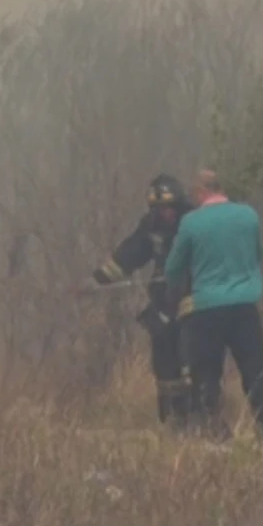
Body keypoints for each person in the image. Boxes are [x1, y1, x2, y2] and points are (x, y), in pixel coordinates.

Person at [162, 169, 263, 443]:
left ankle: (217, 435)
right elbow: (258, 254)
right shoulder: (248, 215)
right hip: (245, 305)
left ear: (201, 193)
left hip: (208, 308)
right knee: (255, 371)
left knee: (207, 373)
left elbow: (173, 268)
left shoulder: (192, 223)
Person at [91, 174, 196, 429]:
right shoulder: (151, 227)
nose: (165, 214)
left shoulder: (193, 223)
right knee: (163, 360)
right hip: (163, 301)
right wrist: (98, 279)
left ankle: (200, 414)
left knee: (192, 360)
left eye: (168, 208)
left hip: (193, 301)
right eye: (159, 209)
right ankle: (170, 418)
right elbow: (131, 253)